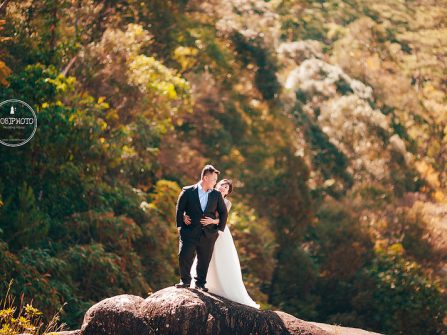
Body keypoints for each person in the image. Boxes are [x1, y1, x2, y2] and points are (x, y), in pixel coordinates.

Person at [186, 179, 260, 309]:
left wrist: (212, 221)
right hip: (204, 230)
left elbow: (222, 218)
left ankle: (221, 287)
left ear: (228, 192)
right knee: (203, 255)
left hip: (219, 231)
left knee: (220, 257)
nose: (223, 188)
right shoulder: (207, 195)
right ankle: (201, 281)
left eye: (226, 187)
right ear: (216, 185)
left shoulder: (226, 202)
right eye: (222, 185)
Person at [174, 164, 228, 291]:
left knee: (204, 259)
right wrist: (181, 223)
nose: (216, 183)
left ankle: (200, 284)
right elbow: (179, 208)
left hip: (208, 234)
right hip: (189, 231)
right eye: (214, 180)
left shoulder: (216, 195)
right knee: (184, 255)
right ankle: (185, 281)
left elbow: (223, 212)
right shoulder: (187, 191)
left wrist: (219, 230)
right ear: (205, 178)